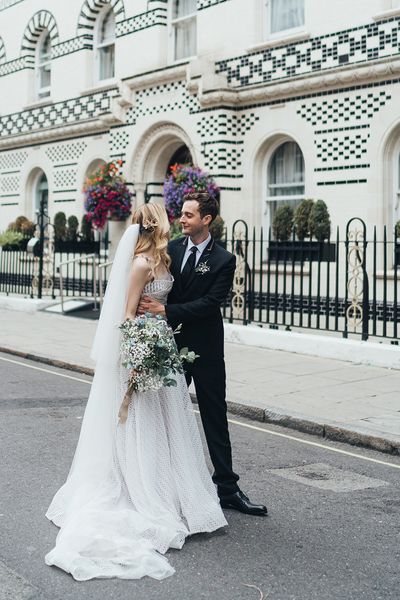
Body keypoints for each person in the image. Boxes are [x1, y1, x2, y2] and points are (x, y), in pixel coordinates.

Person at [45, 203, 227, 581]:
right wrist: (138, 353)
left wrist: (161, 328)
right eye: (167, 216)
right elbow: (126, 314)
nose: (176, 220)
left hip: (165, 344)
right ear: (155, 224)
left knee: (167, 422)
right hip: (145, 346)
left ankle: (170, 489)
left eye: (184, 215)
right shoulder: (142, 263)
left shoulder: (165, 258)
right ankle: (141, 488)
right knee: (141, 423)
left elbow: (179, 299)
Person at [138, 192, 268, 516]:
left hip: (207, 349)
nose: (181, 220)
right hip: (171, 347)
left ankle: (227, 487)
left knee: (215, 417)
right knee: (167, 415)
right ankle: (168, 484)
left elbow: (210, 304)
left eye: (189, 215)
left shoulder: (224, 259)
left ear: (206, 219)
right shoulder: (171, 249)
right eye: (181, 214)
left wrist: (165, 311)